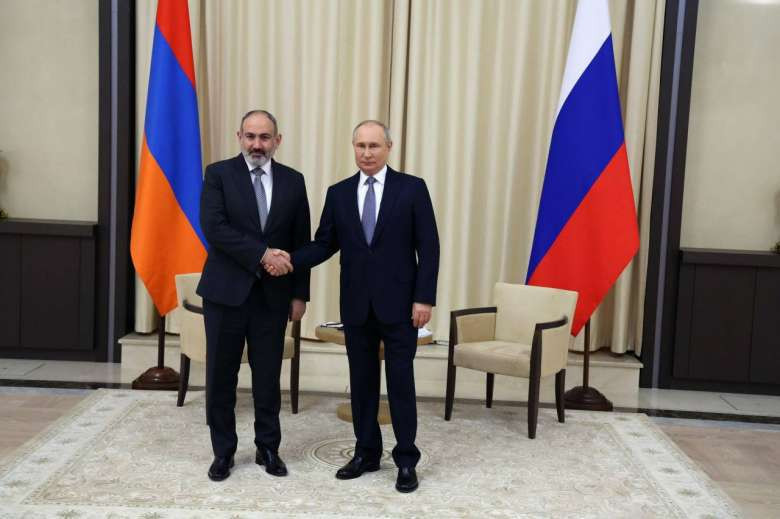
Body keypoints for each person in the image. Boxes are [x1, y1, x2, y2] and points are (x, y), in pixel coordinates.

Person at [267, 120, 439, 493]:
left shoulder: (412, 189)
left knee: (400, 385)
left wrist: (423, 298)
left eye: (374, 146)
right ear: (353, 147)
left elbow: (429, 248)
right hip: (357, 307)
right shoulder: (339, 193)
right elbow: (323, 244)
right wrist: (290, 259)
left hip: (401, 308)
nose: (366, 153)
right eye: (360, 145)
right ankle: (366, 452)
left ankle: (406, 460)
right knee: (361, 384)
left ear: (388, 148)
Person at [197, 110, 310, 481]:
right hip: (225, 294)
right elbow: (215, 228)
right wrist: (263, 255)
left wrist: (300, 294)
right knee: (221, 377)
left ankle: (268, 448)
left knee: (267, 378)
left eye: (264, 137)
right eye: (250, 136)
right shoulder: (218, 174)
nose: (256, 144)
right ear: (239, 137)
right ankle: (223, 452)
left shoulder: (294, 181)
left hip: (273, 298)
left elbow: (301, 240)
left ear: (277, 140)